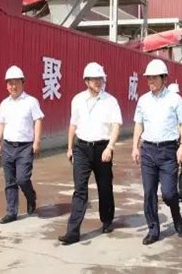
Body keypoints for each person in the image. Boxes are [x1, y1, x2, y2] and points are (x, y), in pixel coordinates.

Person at [58, 63, 123, 245]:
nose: (97, 82)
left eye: (100, 79)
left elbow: (116, 125)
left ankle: (107, 220)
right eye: (93, 79)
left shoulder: (110, 101)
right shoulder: (77, 100)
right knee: (80, 190)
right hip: (81, 148)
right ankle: (72, 232)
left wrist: (110, 147)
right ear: (86, 81)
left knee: (104, 187)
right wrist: (70, 147)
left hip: (102, 148)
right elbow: (73, 125)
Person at [132, 59, 182, 245]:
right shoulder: (143, 100)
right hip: (148, 150)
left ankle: (176, 213)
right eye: (148, 78)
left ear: (164, 78)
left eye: (154, 78)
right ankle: (153, 230)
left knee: (169, 193)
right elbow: (138, 124)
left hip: (168, 151)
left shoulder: (175, 99)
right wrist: (135, 146)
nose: (151, 81)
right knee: (149, 193)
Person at [0, 65, 44, 224]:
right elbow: (1, 123)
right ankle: (11, 212)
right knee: (10, 181)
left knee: (22, 179)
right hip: (8, 146)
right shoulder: (4, 104)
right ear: (6, 85)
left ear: (23, 83)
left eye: (16, 82)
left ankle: (31, 196)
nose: (13, 86)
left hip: (25, 147)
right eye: (10, 83)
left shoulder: (31, 102)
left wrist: (37, 141)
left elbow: (38, 120)